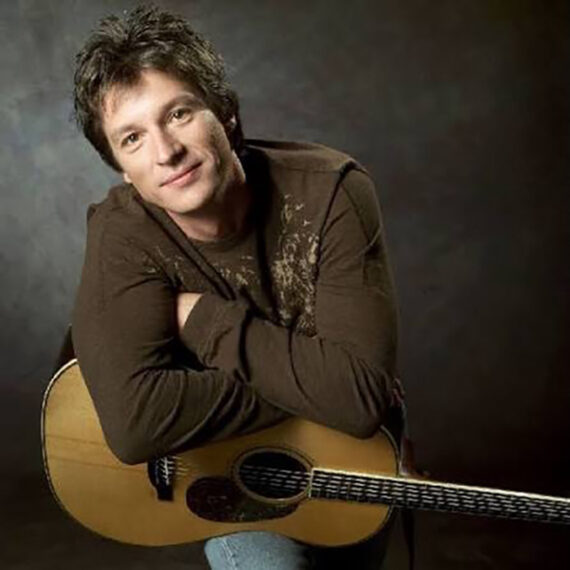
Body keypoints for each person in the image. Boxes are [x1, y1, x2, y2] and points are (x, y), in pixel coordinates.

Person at [71, 6, 405, 569]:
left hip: (350, 459)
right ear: (122, 168)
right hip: (230, 475)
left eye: (178, 114)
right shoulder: (122, 233)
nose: (165, 152)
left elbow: (360, 399)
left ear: (224, 113)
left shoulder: (331, 193)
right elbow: (134, 427)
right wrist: (321, 385)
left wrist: (202, 319)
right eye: (132, 138)